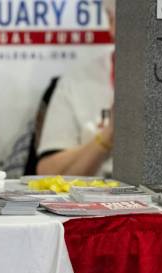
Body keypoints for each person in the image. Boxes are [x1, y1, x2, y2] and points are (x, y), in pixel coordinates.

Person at [36, 0, 116, 176]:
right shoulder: (76, 82)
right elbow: (47, 173)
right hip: (95, 191)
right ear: (111, 22)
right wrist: (108, 135)